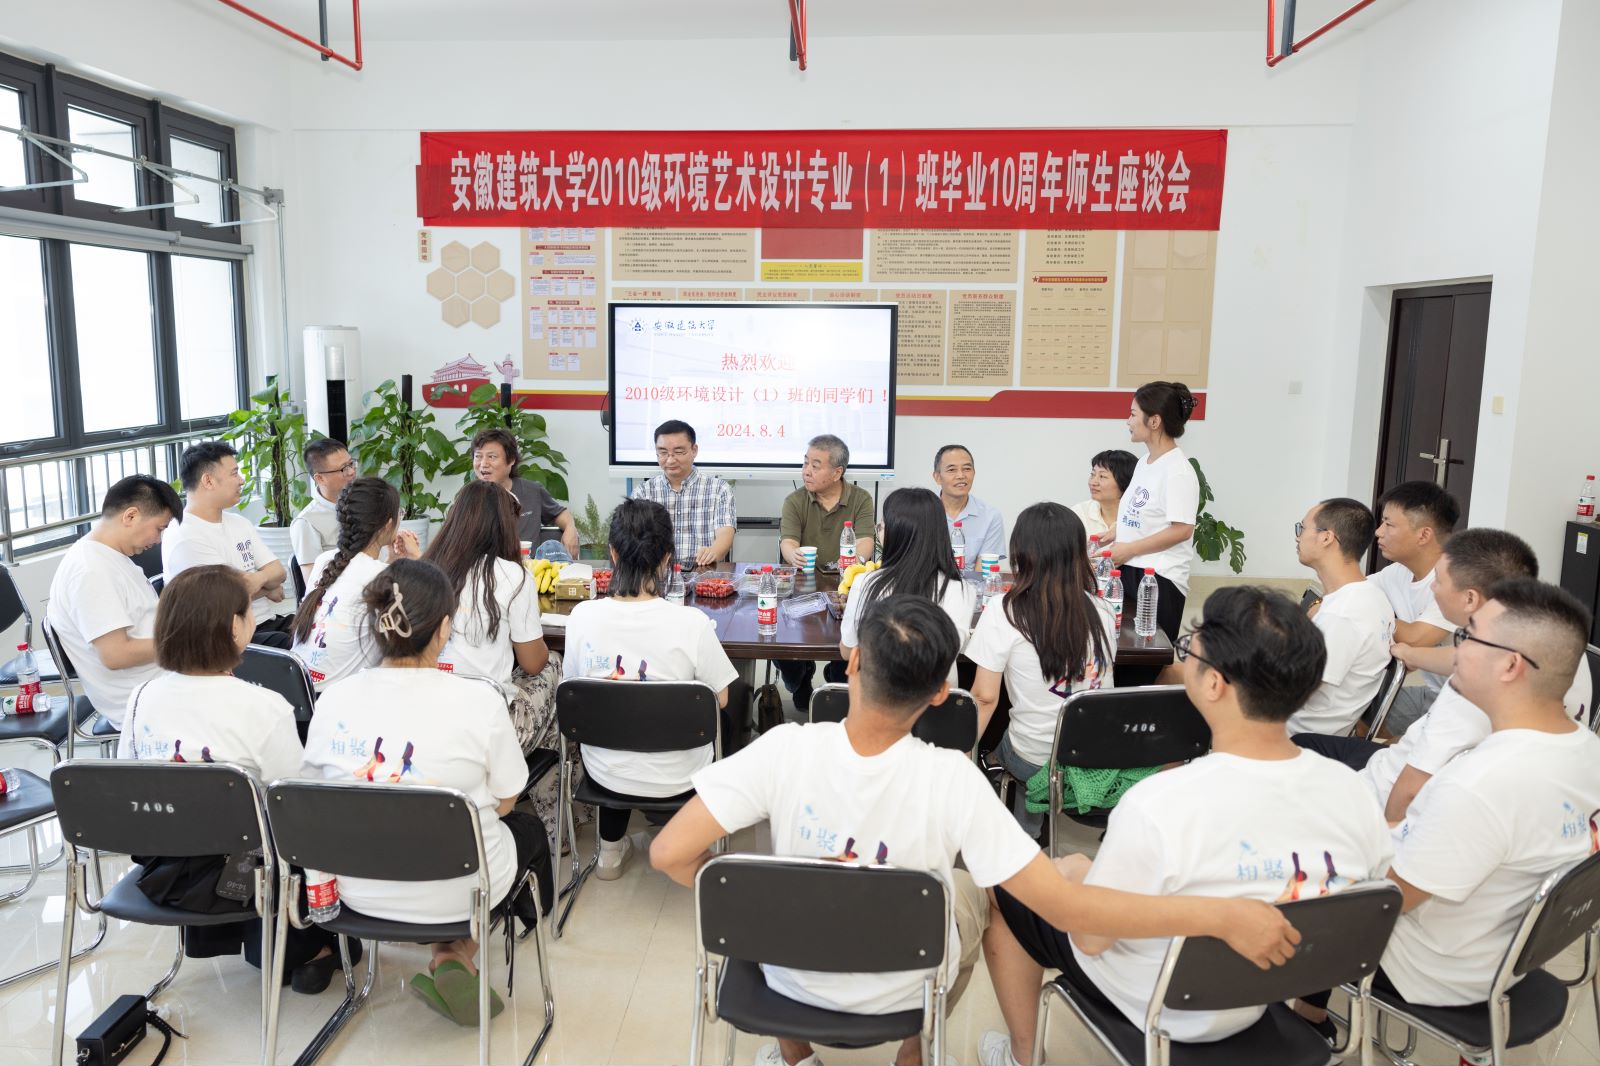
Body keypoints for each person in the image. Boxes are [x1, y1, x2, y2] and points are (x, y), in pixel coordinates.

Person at [649, 594, 1302, 1066]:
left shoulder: (782, 750)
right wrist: (1219, 916)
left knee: (767, 897)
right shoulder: (954, 779)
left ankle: (796, 1055)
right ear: (942, 692)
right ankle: (913, 1052)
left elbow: (669, 853)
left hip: (789, 979)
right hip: (905, 986)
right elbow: (1065, 908)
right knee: (980, 894)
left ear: (852, 664)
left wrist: (754, 896)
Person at [978, 586, 1392, 1066]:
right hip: (1269, 991)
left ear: (1214, 683)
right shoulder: (1353, 791)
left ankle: (1021, 1055)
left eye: (1190, 651)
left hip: (1163, 1002)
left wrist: (1077, 876)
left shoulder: (1159, 803)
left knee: (1004, 888)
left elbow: (1091, 937)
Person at [1293, 579, 1600, 1030]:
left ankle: (1275, 1025)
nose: (1457, 650)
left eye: (1468, 637)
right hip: (1508, 952)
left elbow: (1386, 904)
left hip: (1432, 970)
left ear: (1510, 666)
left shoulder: (1481, 784)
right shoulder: (1586, 750)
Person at [302, 559, 548, 1024]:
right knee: (524, 830)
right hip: (459, 890)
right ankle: (456, 950)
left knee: (429, 838)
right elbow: (506, 799)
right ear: (444, 628)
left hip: (358, 892)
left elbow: (311, 796)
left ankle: (450, 952)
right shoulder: (479, 701)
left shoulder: (333, 700)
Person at [119, 566, 345, 993]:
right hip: (246, 875)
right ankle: (308, 947)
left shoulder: (141, 698)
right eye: (248, 611)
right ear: (234, 627)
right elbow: (295, 810)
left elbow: (129, 785)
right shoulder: (263, 706)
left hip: (167, 872)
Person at [1294, 529, 1592, 822]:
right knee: (1310, 742)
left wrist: (1384, 836)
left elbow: (1410, 788)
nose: (1432, 590)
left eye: (1438, 581)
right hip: (1405, 764)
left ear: (1470, 599)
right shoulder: (1552, 645)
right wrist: (1411, 654)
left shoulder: (1477, 687)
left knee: (1292, 759)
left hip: (1381, 792)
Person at [562, 498, 739, 881]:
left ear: (612, 553)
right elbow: (721, 698)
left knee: (617, 719)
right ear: (666, 558)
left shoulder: (581, 617)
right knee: (725, 714)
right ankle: (692, 839)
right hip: (679, 775)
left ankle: (609, 852)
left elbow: (572, 690)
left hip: (604, 772)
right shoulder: (692, 623)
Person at [966, 503, 1116, 837]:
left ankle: (1022, 832)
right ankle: (1032, 828)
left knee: (1005, 749)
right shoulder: (1104, 611)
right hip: (1095, 756)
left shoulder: (1005, 610)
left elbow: (984, 698)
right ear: (1078, 553)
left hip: (1034, 759)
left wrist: (961, 755)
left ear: (1021, 553)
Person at [427, 480, 562, 751]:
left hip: (430, 720)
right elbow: (533, 664)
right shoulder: (513, 576)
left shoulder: (425, 568)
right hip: (489, 731)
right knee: (553, 664)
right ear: (504, 526)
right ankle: (547, 775)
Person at [46, 475, 180, 728]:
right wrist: (187, 643)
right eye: (159, 528)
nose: (158, 540)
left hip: (163, 679)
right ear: (130, 516)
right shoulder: (90, 571)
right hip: (146, 699)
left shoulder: (110, 557)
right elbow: (116, 655)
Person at [289, 477, 419, 691]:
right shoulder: (384, 577)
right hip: (339, 698)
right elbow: (424, 626)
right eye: (400, 513)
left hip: (298, 690)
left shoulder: (325, 561)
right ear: (388, 524)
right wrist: (418, 561)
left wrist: (391, 561)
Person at [776, 434, 876, 710]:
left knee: (853, 639)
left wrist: (856, 560)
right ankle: (800, 679)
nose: (806, 471)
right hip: (803, 586)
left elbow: (866, 541)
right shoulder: (795, 500)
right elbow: (788, 541)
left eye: (815, 465)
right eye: (805, 463)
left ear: (837, 472)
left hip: (846, 588)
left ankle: (835, 678)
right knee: (780, 640)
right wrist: (791, 554)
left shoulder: (861, 499)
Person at [162, 441, 294, 648]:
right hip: (226, 639)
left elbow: (279, 572)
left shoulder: (239, 523)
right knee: (299, 647)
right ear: (208, 481)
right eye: (234, 473)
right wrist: (267, 588)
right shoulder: (185, 536)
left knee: (319, 627)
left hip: (264, 623)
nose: (241, 480)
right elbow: (227, 599)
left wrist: (257, 580)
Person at [839, 488, 976, 685]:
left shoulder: (866, 583)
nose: (879, 531)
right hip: (941, 698)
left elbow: (848, 651)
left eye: (882, 526)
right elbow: (956, 650)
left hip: (879, 697)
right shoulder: (963, 590)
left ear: (898, 533)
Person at [1286, 498, 1396, 736]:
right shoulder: (1372, 597)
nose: (1297, 537)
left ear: (1326, 537)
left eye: (1302, 528)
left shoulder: (1343, 613)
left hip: (1295, 736)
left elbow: (1294, 686)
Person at [1110, 381, 1199, 646]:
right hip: (1131, 569)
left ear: (1154, 421)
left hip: (1158, 579)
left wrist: (1129, 549)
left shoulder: (1177, 471)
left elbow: (1182, 529)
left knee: (1146, 655)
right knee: (1125, 650)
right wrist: (1116, 532)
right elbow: (1144, 514)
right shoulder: (1144, 463)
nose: (1128, 421)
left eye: (1133, 414)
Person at [1370, 480, 1460, 733]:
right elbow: (1351, 592)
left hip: (1469, 706)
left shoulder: (1456, 578)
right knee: (1359, 703)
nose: (1378, 532)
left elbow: (1415, 638)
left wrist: (1370, 614)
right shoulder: (1398, 572)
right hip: (1435, 694)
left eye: (1388, 524)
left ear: (1424, 535)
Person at [632, 419, 736, 567]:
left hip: (702, 571)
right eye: (663, 453)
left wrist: (713, 552)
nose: (670, 460)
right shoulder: (643, 492)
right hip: (657, 572)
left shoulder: (719, 489)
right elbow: (633, 539)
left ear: (694, 450)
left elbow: (725, 534)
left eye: (678, 452)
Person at [470, 427, 579, 557]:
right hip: (485, 567)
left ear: (511, 460)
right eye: (478, 456)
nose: (483, 464)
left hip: (529, 567)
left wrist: (570, 528)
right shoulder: (468, 498)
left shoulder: (532, 491)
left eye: (491, 457)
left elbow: (559, 513)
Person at [289, 438, 357, 585]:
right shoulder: (307, 522)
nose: (351, 472)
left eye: (351, 463)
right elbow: (315, 584)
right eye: (343, 469)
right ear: (320, 478)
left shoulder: (364, 502)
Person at [932, 444, 1005, 568]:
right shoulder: (923, 514)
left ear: (974, 473)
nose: (961, 476)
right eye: (952, 470)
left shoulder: (990, 516)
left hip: (972, 581)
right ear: (937, 477)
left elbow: (983, 571)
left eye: (966, 469)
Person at [1070, 449, 1137, 546]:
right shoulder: (1079, 513)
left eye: (1102, 476)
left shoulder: (1139, 518)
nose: (1093, 482)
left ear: (1125, 481)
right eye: (1092, 475)